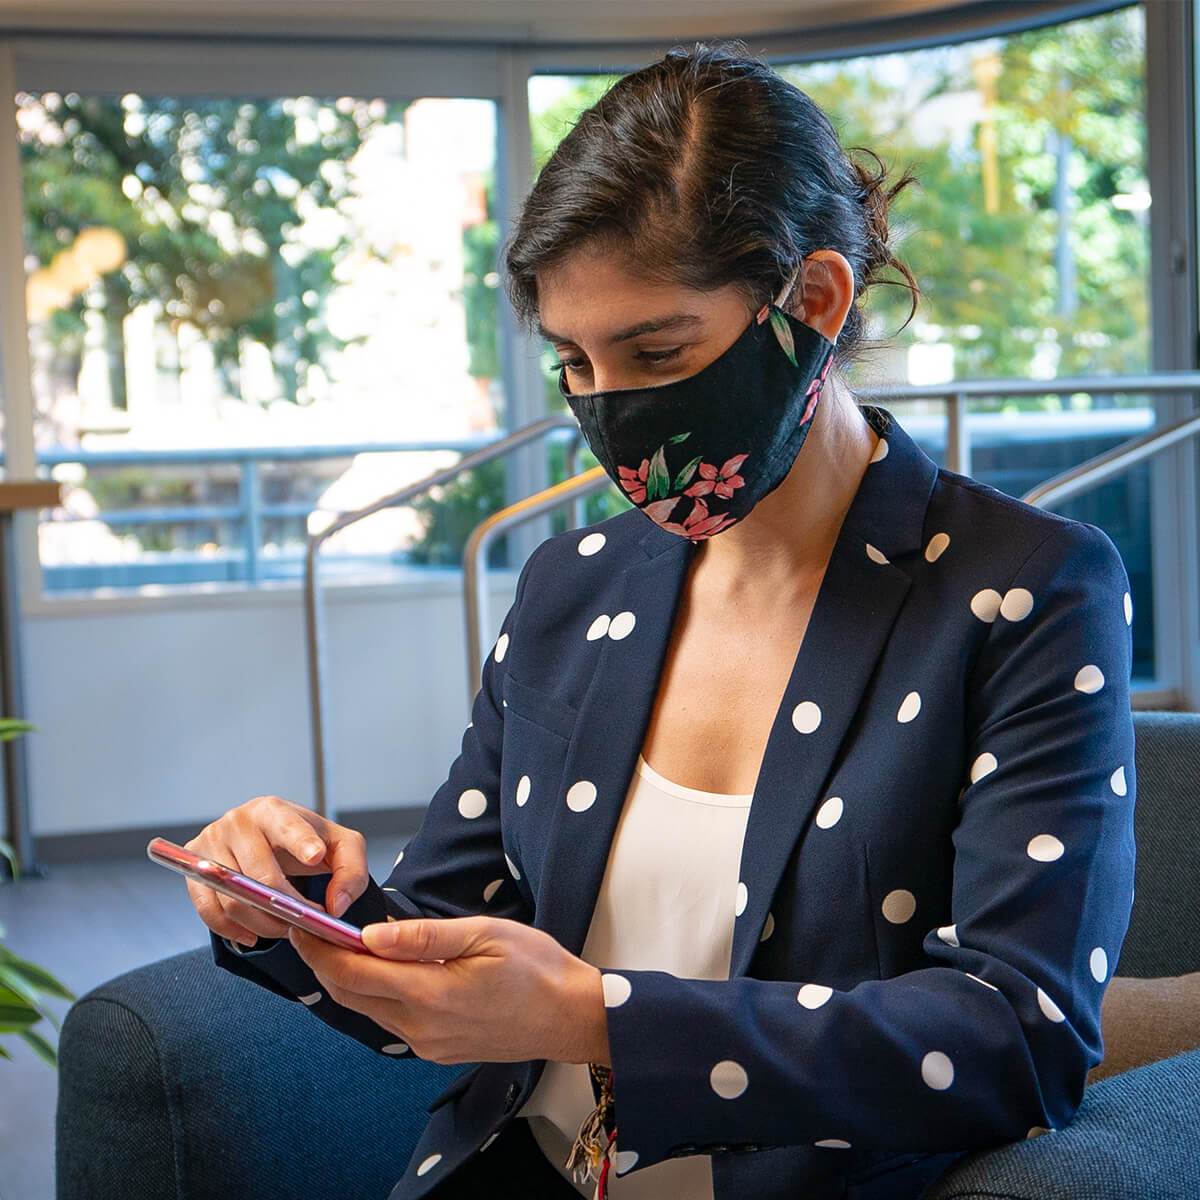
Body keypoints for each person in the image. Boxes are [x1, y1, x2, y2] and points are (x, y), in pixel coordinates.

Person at [188, 43, 1136, 1200]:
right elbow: (446, 952)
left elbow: (1021, 1040)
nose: (611, 410)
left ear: (815, 302)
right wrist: (294, 912)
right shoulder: (566, 586)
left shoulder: (1026, 590)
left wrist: (600, 1018)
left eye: (659, 351)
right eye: (576, 364)